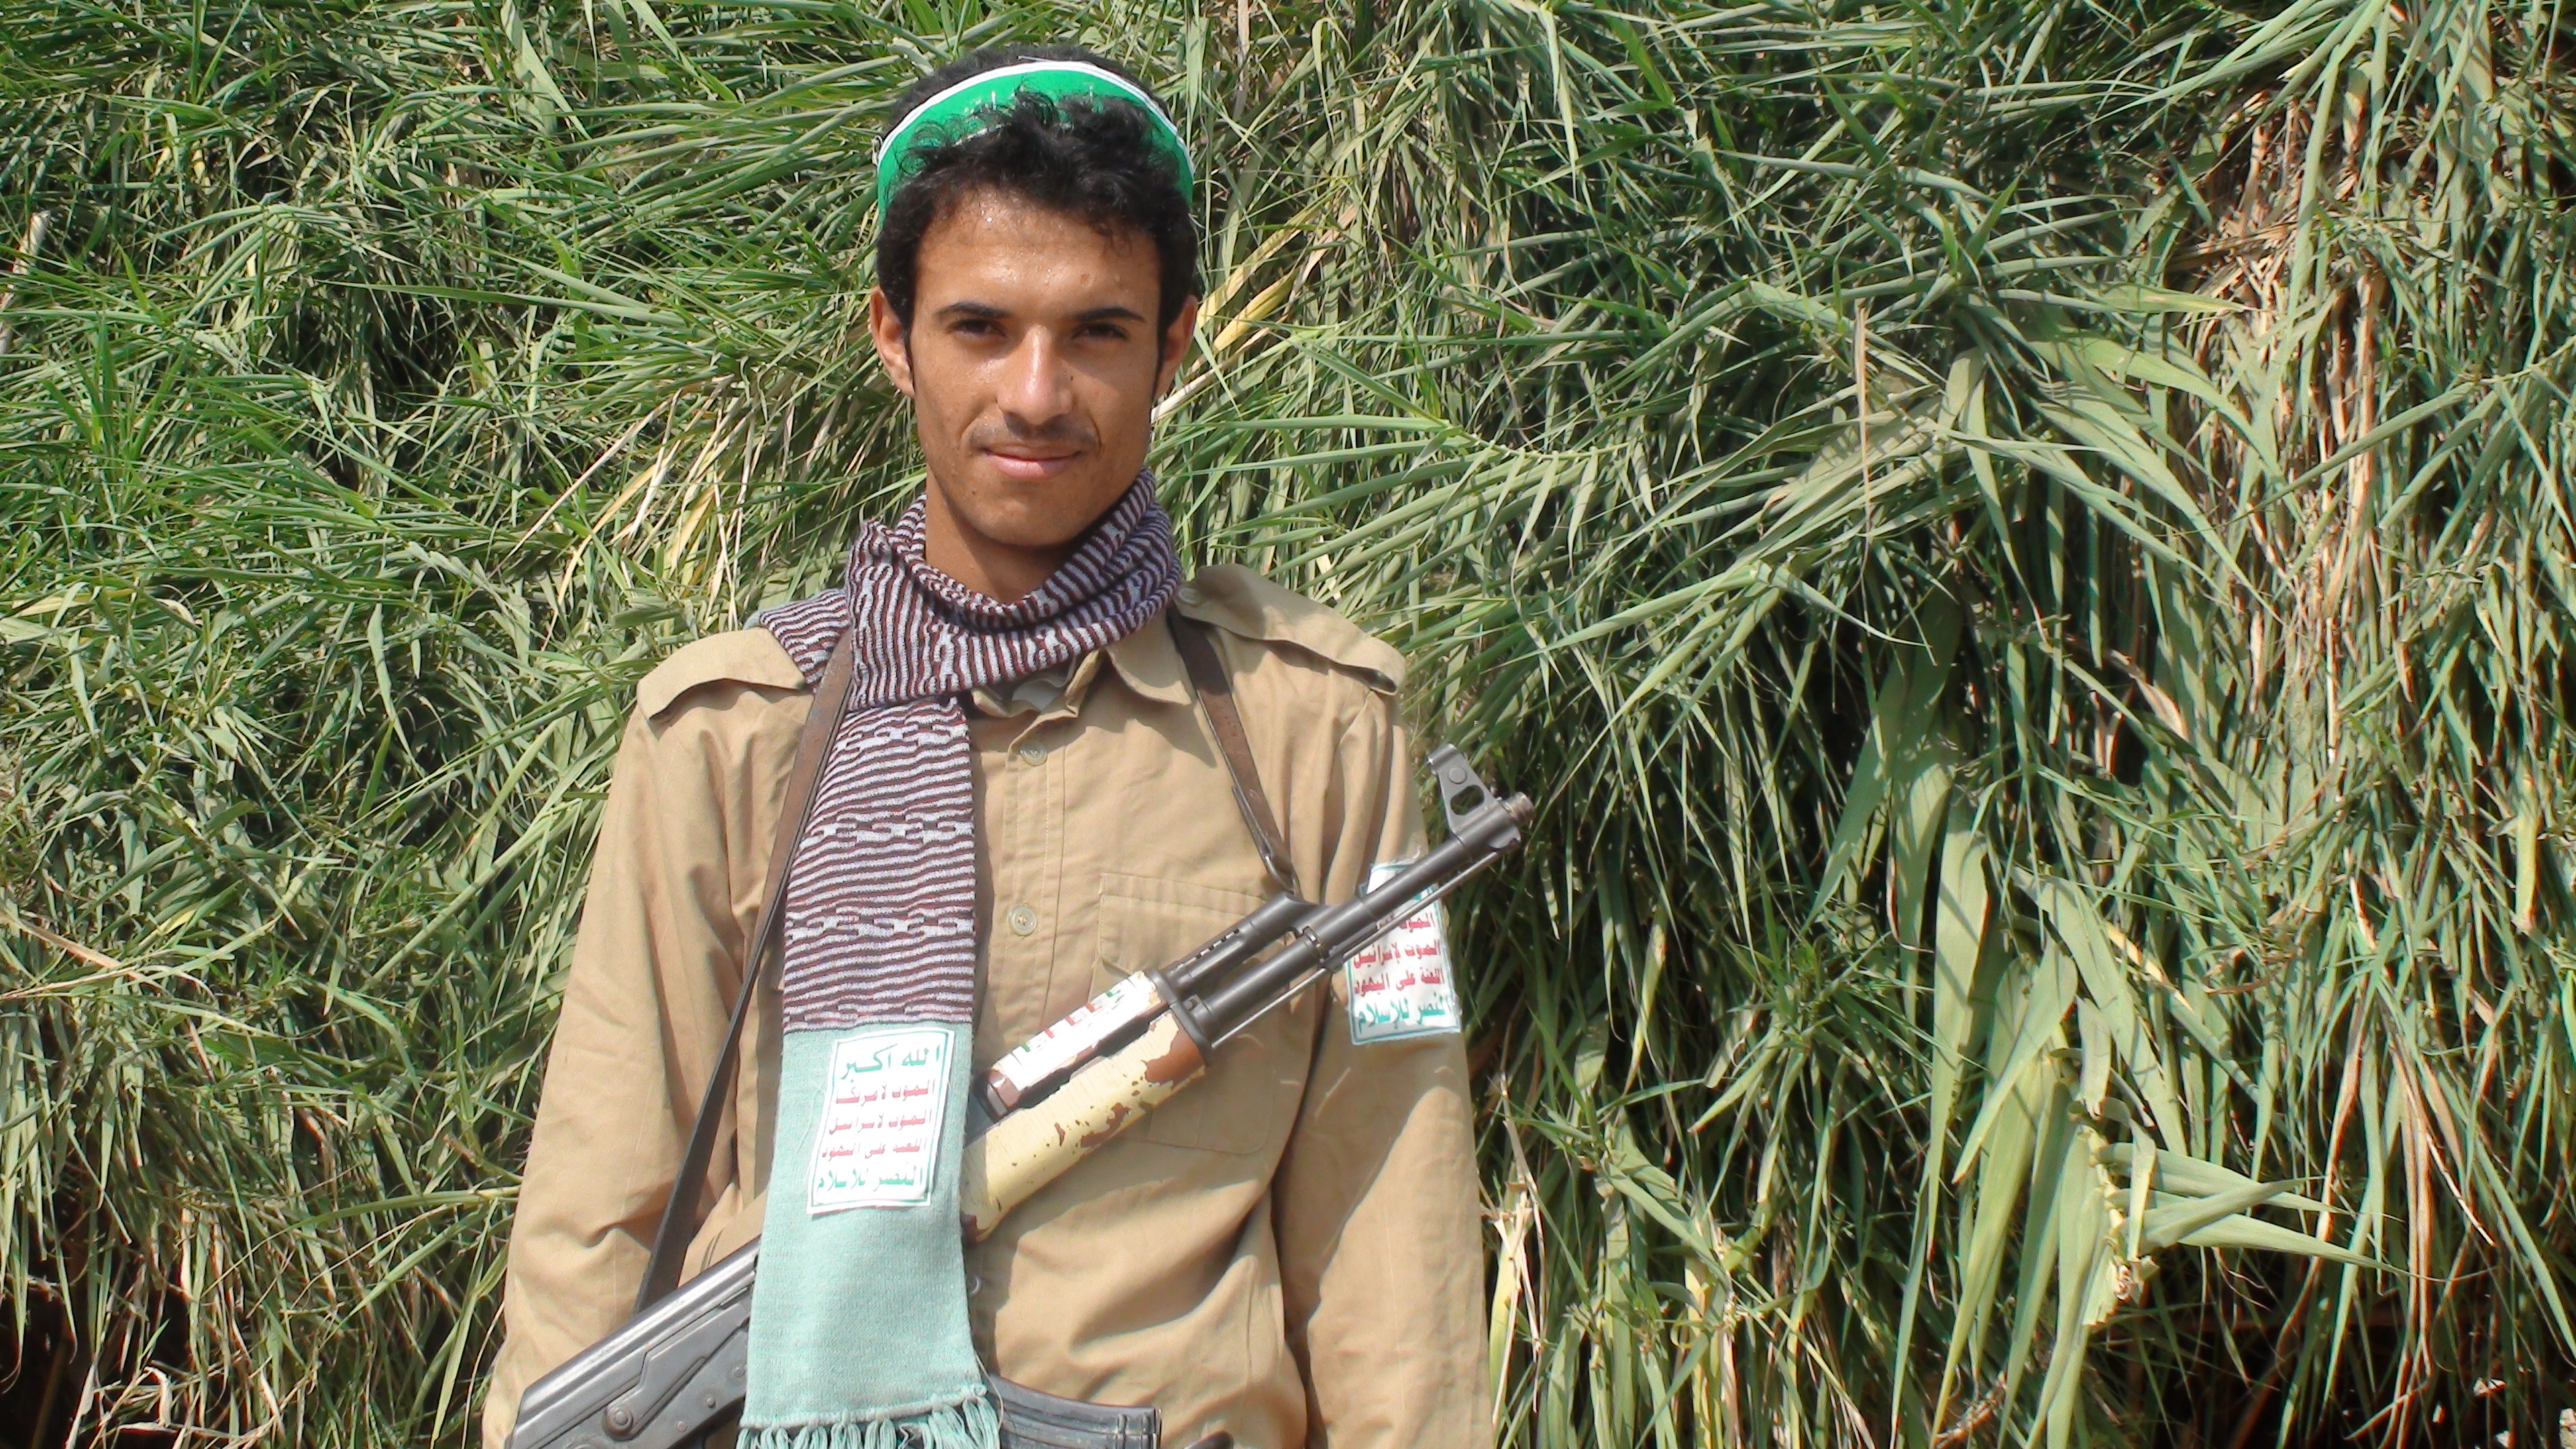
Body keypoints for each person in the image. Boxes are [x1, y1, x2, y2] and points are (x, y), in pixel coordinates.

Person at [480, 44, 1490, 1449]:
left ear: (1174, 345)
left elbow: (1393, 1216)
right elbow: (602, 1203)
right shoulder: (734, 735)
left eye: (1096, 333)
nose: (1035, 393)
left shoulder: (1318, 737)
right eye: (979, 327)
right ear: (892, 336)